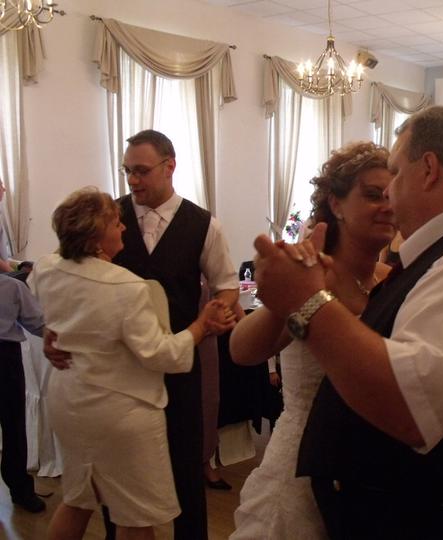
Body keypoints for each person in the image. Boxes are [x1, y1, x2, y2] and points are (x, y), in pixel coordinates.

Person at [251, 106, 443, 539]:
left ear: (428, 169)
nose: (390, 197)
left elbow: (410, 406)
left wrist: (307, 302)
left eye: (395, 175)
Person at [44, 130, 240, 540]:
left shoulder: (204, 224)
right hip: (115, 381)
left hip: (180, 364)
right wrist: (53, 329)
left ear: (170, 166)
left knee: (186, 466)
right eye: (127, 171)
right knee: (115, 487)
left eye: (141, 171)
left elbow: (225, 285)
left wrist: (218, 314)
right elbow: (69, 281)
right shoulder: (105, 219)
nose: (132, 180)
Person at [228, 141, 395, 539]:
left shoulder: (391, 279)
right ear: (336, 204)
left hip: (371, 468)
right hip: (306, 460)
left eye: (392, 195)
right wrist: (292, 297)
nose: (387, 206)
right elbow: (242, 350)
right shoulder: (314, 276)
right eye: (373, 195)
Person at [0, 273, 45, 513]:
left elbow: (38, 323)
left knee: (14, 426)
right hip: (6, 358)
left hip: (5, 357)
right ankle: (20, 490)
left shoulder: (13, 287)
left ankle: (20, 489)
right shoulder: (12, 286)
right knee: (13, 426)